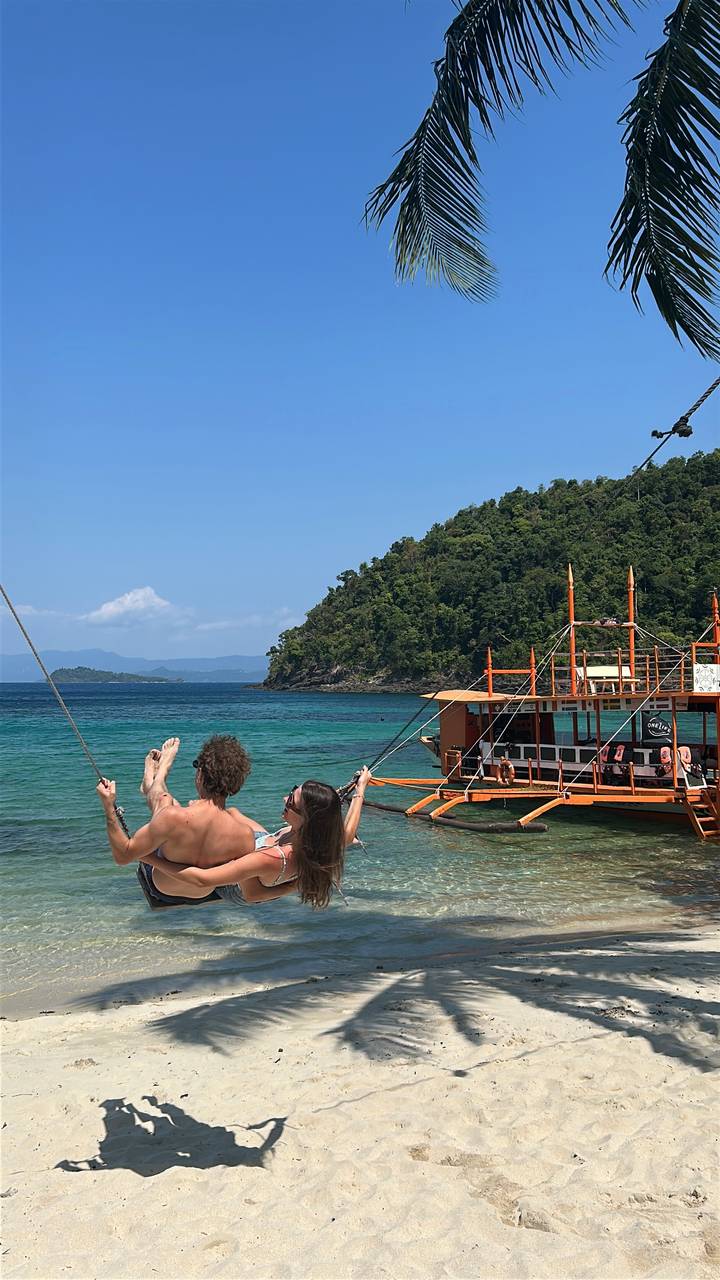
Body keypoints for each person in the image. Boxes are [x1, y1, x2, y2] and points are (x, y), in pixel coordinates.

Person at [139, 767, 371, 909]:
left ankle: (152, 784)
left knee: (174, 812)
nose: (284, 799)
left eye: (291, 802)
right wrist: (360, 788)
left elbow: (206, 881)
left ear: (308, 819)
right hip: (265, 843)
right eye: (291, 791)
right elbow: (349, 832)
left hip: (235, 884)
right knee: (231, 813)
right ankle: (158, 790)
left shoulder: (269, 858)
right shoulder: (322, 839)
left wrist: (148, 858)